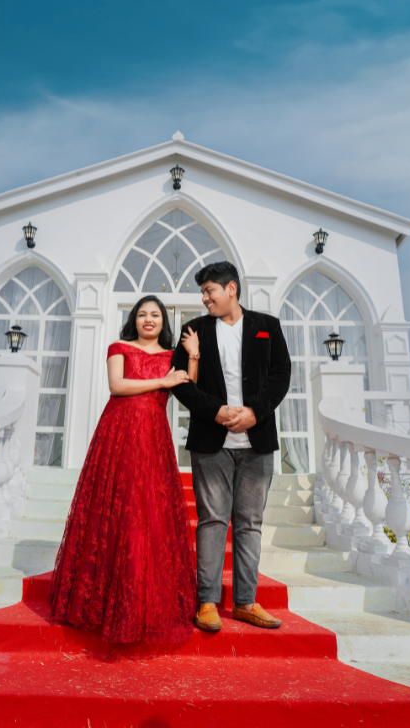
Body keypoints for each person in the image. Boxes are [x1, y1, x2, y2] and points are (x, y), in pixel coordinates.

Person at [47, 295, 197, 643]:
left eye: (155, 315)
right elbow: (117, 386)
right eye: (142, 314)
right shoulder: (119, 347)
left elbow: (187, 387)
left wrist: (193, 355)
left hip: (153, 437)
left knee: (148, 513)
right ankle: (100, 604)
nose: (148, 319)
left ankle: (144, 604)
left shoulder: (172, 356)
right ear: (134, 319)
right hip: (119, 433)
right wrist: (162, 382)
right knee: (115, 509)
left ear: (163, 322)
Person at [171, 261, 291, 633]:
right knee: (212, 520)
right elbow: (180, 382)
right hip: (211, 442)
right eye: (203, 293)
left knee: (250, 523)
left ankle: (245, 602)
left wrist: (255, 412)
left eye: (209, 291)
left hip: (257, 441)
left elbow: (281, 375)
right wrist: (217, 411)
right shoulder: (193, 330)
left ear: (231, 289)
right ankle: (206, 602)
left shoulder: (267, 326)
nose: (204, 298)